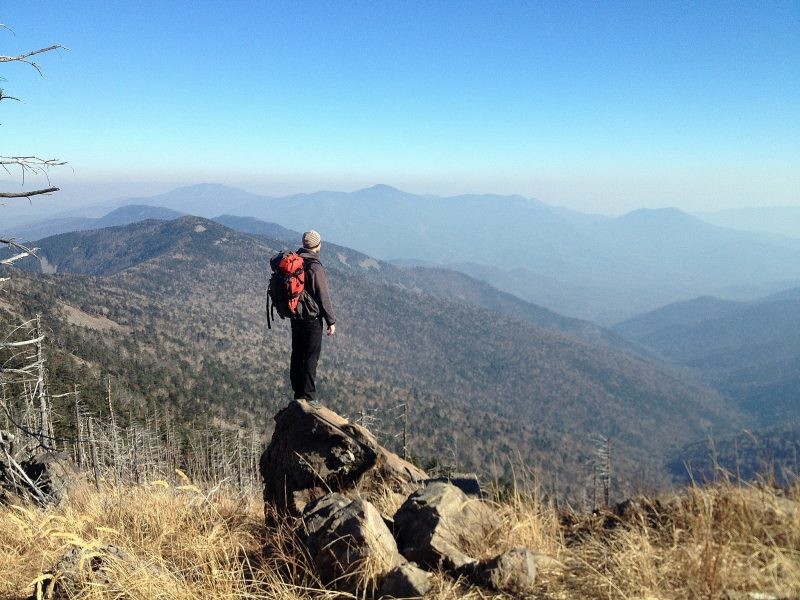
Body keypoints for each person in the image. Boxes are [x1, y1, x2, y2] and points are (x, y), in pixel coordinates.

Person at [290, 230, 336, 402]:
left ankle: (298, 392)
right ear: (318, 245)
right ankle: (308, 396)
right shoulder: (314, 267)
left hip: (296, 316)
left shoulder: (296, 260)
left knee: (297, 353)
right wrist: (331, 321)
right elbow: (323, 295)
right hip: (311, 318)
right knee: (310, 356)